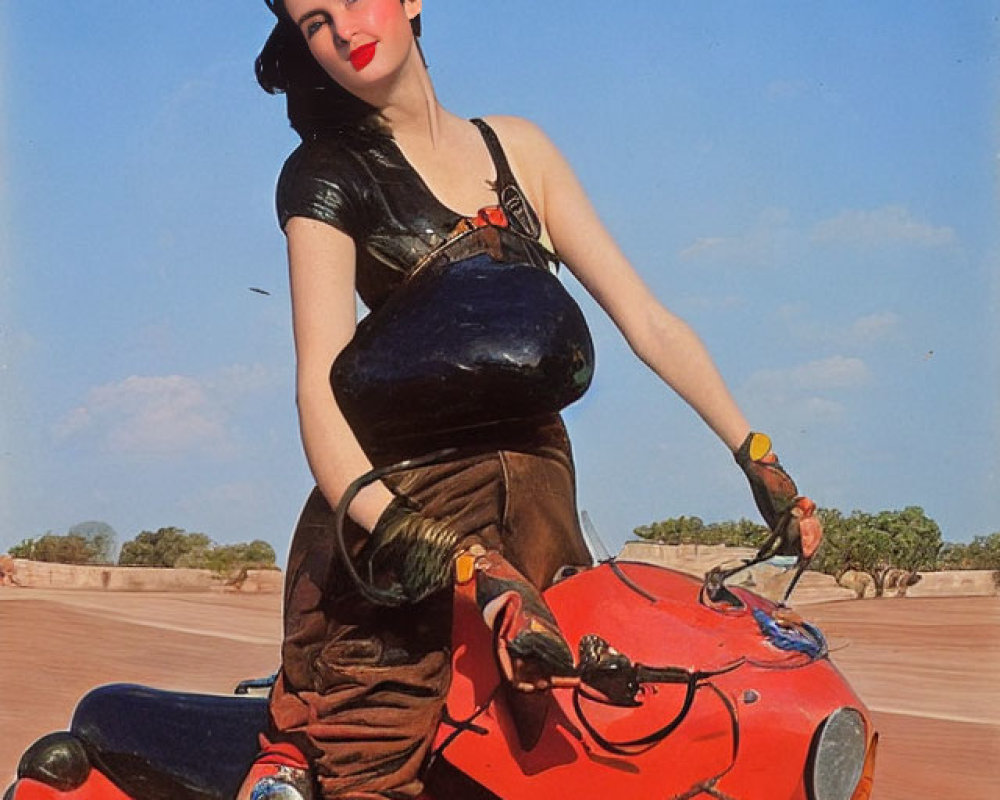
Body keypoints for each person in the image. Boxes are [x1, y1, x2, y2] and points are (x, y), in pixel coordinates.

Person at [240, 1, 821, 798]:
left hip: (540, 505)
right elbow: (320, 392)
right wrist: (440, 551)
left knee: (577, 752)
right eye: (313, 20)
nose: (343, 26)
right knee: (372, 761)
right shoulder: (327, 175)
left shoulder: (520, 150)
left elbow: (648, 321)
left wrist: (758, 457)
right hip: (403, 524)